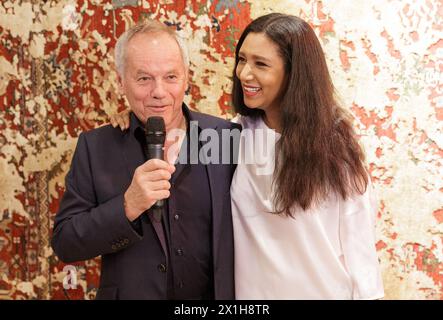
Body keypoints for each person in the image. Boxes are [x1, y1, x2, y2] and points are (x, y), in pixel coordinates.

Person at [110, 13, 384, 300]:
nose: (244, 73)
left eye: (261, 64)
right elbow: (175, 145)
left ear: (294, 73)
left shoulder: (336, 152)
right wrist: (134, 120)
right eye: (242, 60)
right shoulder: (234, 136)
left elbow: (362, 260)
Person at [51, 20, 240, 300]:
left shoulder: (226, 136)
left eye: (171, 77)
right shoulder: (96, 146)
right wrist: (128, 206)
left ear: (187, 77)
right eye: (143, 78)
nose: (159, 92)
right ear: (120, 81)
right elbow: (66, 242)